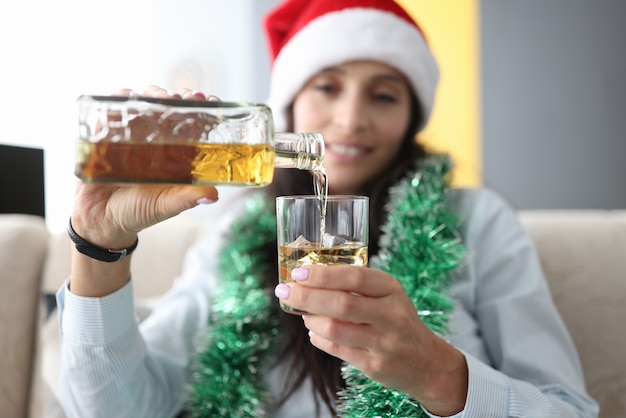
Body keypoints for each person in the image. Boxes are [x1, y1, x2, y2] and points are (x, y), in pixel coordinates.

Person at [56, 0, 599, 417]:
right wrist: (97, 247)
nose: (349, 119)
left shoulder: (477, 222)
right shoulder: (235, 235)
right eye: (327, 87)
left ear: (412, 115)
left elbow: (567, 409)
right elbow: (114, 408)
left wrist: (439, 374)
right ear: (289, 105)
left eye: (383, 95)